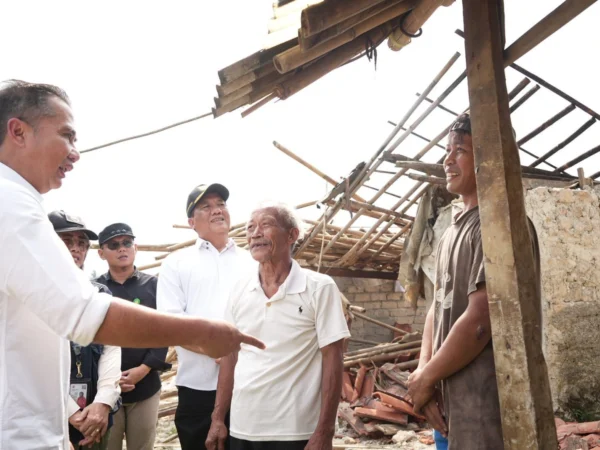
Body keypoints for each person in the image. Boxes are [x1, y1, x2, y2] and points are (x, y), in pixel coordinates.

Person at [0, 80, 264, 450]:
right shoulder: (10, 204)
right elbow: (85, 315)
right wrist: (199, 333)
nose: (75, 153)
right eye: (66, 136)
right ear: (18, 131)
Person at [406, 114, 540, 449]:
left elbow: (481, 320)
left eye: (459, 150)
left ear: (488, 158)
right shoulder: (451, 231)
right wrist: (425, 373)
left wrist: (428, 376)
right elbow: (438, 307)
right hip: (448, 404)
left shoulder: (498, 225)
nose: (447, 159)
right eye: (446, 150)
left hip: (484, 408)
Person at [206, 203, 350, 450]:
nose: (255, 233)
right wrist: (218, 418)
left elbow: (333, 359)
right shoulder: (240, 289)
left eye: (266, 225)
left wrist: (325, 431)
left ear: (292, 235)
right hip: (244, 426)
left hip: (296, 430)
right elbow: (229, 357)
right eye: (251, 227)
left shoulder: (319, 287)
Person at [157, 183, 256, 450]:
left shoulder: (253, 261)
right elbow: (170, 325)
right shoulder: (176, 263)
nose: (217, 210)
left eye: (221, 204)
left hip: (251, 383)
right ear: (191, 221)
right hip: (198, 387)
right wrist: (214, 351)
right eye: (206, 206)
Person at [49, 210, 122, 450]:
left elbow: (112, 349)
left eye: (82, 243)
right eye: (66, 241)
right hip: (49, 415)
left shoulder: (100, 295)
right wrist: (70, 413)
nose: (76, 248)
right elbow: (31, 361)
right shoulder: (33, 294)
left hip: (95, 416)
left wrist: (103, 403)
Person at [94, 223, 170, 450]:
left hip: (145, 386)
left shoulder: (154, 286)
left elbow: (165, 333)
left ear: (135, 247)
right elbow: (90, 340)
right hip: (105, 388)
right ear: (101, 253)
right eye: (114, 245)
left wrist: (143, 370)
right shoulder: (95, 290)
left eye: (127, 243)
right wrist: (111, 379)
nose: (122, 249)